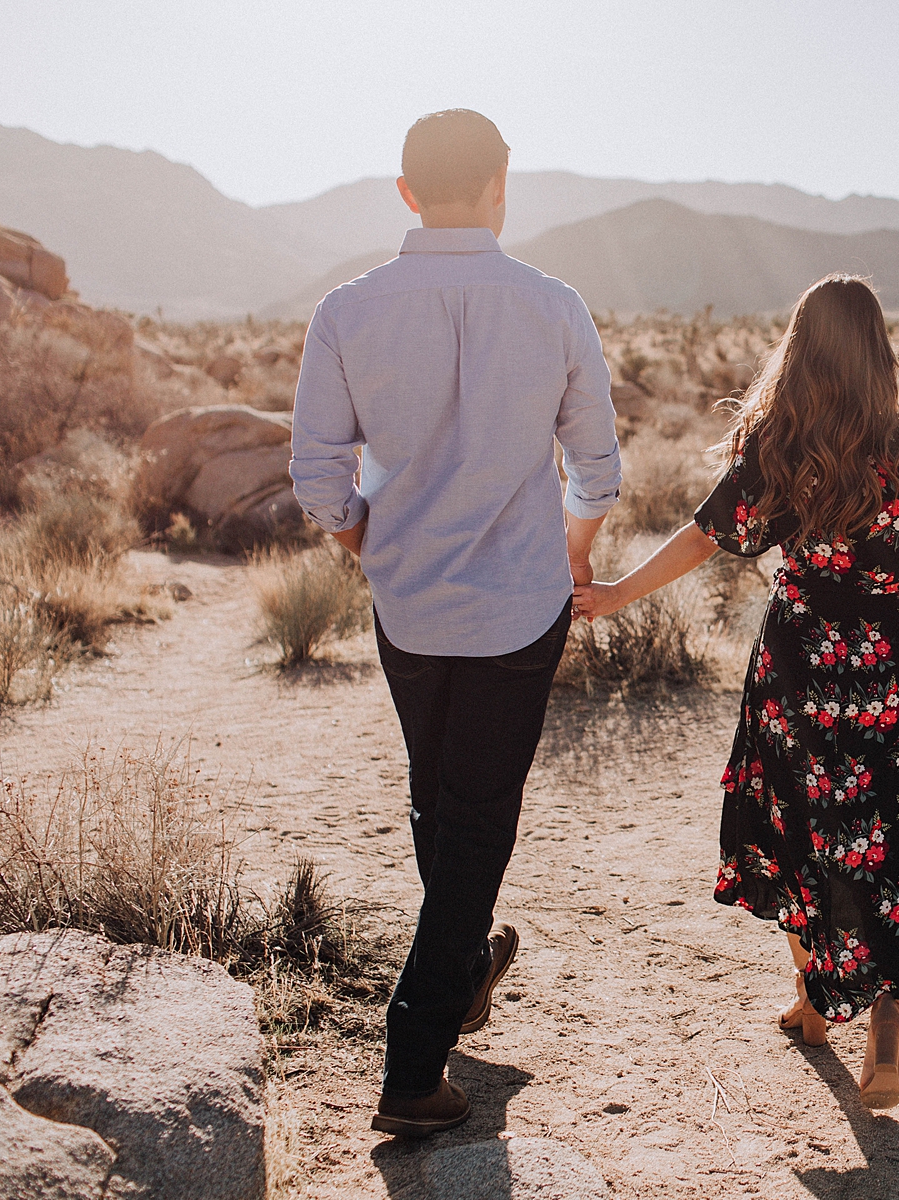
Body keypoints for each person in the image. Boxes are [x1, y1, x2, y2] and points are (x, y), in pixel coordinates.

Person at [573, 274, 899, 1110]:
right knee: (887, 835)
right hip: (887, 666)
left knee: (797, 820)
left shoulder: (779, 442)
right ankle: (878, 1025)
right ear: (880, 352)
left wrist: (619, 592)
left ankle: (812, 996)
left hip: (798, 662)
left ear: (799, 351)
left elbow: (705, 537)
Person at [289, 109, 621, 1137]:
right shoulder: (555, 305)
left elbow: (316, 475)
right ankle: (413, 1066)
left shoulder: (347, 311)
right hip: (521, 607)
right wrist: (572, 553)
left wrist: (368, 548)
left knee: (441, 798)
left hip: (409, 604)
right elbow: (598, 467)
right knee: (475, 819)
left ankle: (466, 965)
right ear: (501, 185)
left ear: (402, 192)